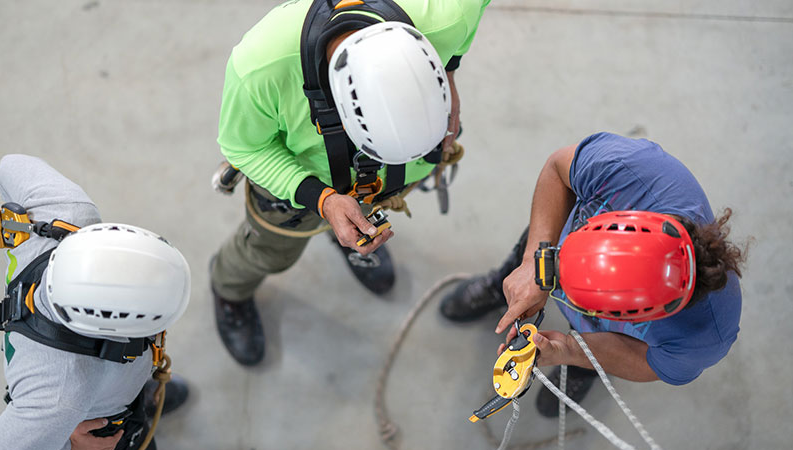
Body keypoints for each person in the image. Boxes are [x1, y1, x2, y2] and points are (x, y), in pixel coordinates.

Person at [211, 0, 490, 366]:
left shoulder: (448, 14)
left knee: (357, 214)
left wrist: (448, 74)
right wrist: (321, 199)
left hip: (383, 181)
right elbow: (244, 148)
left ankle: (345, 230)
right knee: (268, 251)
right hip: (299, 176)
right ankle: (230, 290)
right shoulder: (262, 67)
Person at [440, 132, 745, 417]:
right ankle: (502, 287)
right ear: (618, 222)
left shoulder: (702, 338)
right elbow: (558, 167)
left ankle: (582, 370)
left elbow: (647, 362)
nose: (555, 284)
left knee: (588, 350)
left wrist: (571, 351)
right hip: (551, 242)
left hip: (603, 333)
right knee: (523, 265)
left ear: (630, 314)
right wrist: (534, 263)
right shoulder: (630, 170)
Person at [0, 155, 192, 450]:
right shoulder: (59, 399)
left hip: (109, 384)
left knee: (131, 388)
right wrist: (69, 447)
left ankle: (141, 390)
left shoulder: (64, 213)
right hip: (102, 425)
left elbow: (9, 165)